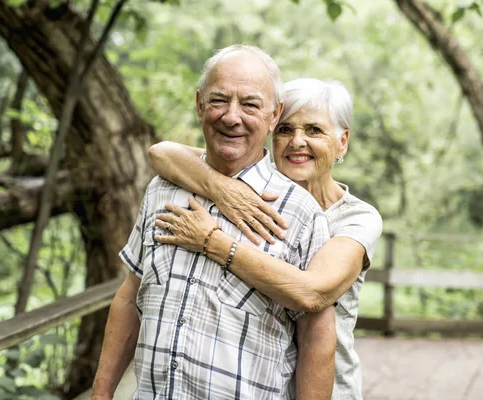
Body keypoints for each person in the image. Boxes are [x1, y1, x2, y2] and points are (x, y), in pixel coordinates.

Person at [91, 45, 337, 400]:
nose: (231, 117)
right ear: (200, 105)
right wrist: (101, 394)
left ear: (274, 115)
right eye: (219, 100)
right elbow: (131, 297)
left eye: (250, 105)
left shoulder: (299, 212)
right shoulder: (162, 190)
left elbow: (317, 338)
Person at [149, 77, 383, 400]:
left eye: (314, 130)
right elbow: (162, 153)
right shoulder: (249, 191)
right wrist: (220, 187)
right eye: (286, 129)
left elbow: (312, 291)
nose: (297, 141)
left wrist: (213, 242)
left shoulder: (356, 218)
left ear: (342, 142)